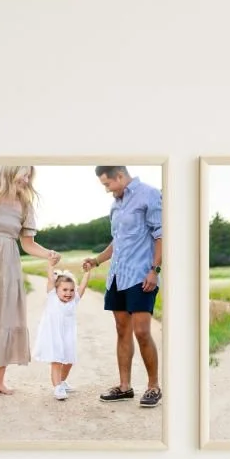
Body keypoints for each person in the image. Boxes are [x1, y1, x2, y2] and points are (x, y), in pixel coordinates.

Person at [0, 166, 61, 400]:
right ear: (9, 171)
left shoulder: (24, 205)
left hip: (9, 265)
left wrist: (48, 253)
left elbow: (28, 244)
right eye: (24, 174)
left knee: (6, 318)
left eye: (29, 176)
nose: (27, 180)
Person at [83, 166, 162, 408]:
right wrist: (97, 260)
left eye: (107, 184)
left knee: (142, 331)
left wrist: (155, 270)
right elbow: (117, 241)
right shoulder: (115, 205)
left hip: (141, 276)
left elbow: (161, 235)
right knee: (121, 330)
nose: (107, 189)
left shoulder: (149, 194)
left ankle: (153, 386)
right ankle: (125, 387)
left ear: (120, 175)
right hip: (118, 276)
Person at [33, 259, 90, 401]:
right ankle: (57, 387)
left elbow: (82, 287)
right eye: (64, 290)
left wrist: (87, 273)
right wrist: (50, 265)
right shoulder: (52, 297)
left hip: (67, 337)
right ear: (56, 289)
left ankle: (62, 382)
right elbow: (50, 279)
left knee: (69, 361)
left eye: (71, 290)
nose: (68, 293)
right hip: (54, 336)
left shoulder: (74, 301)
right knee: (57, 361)